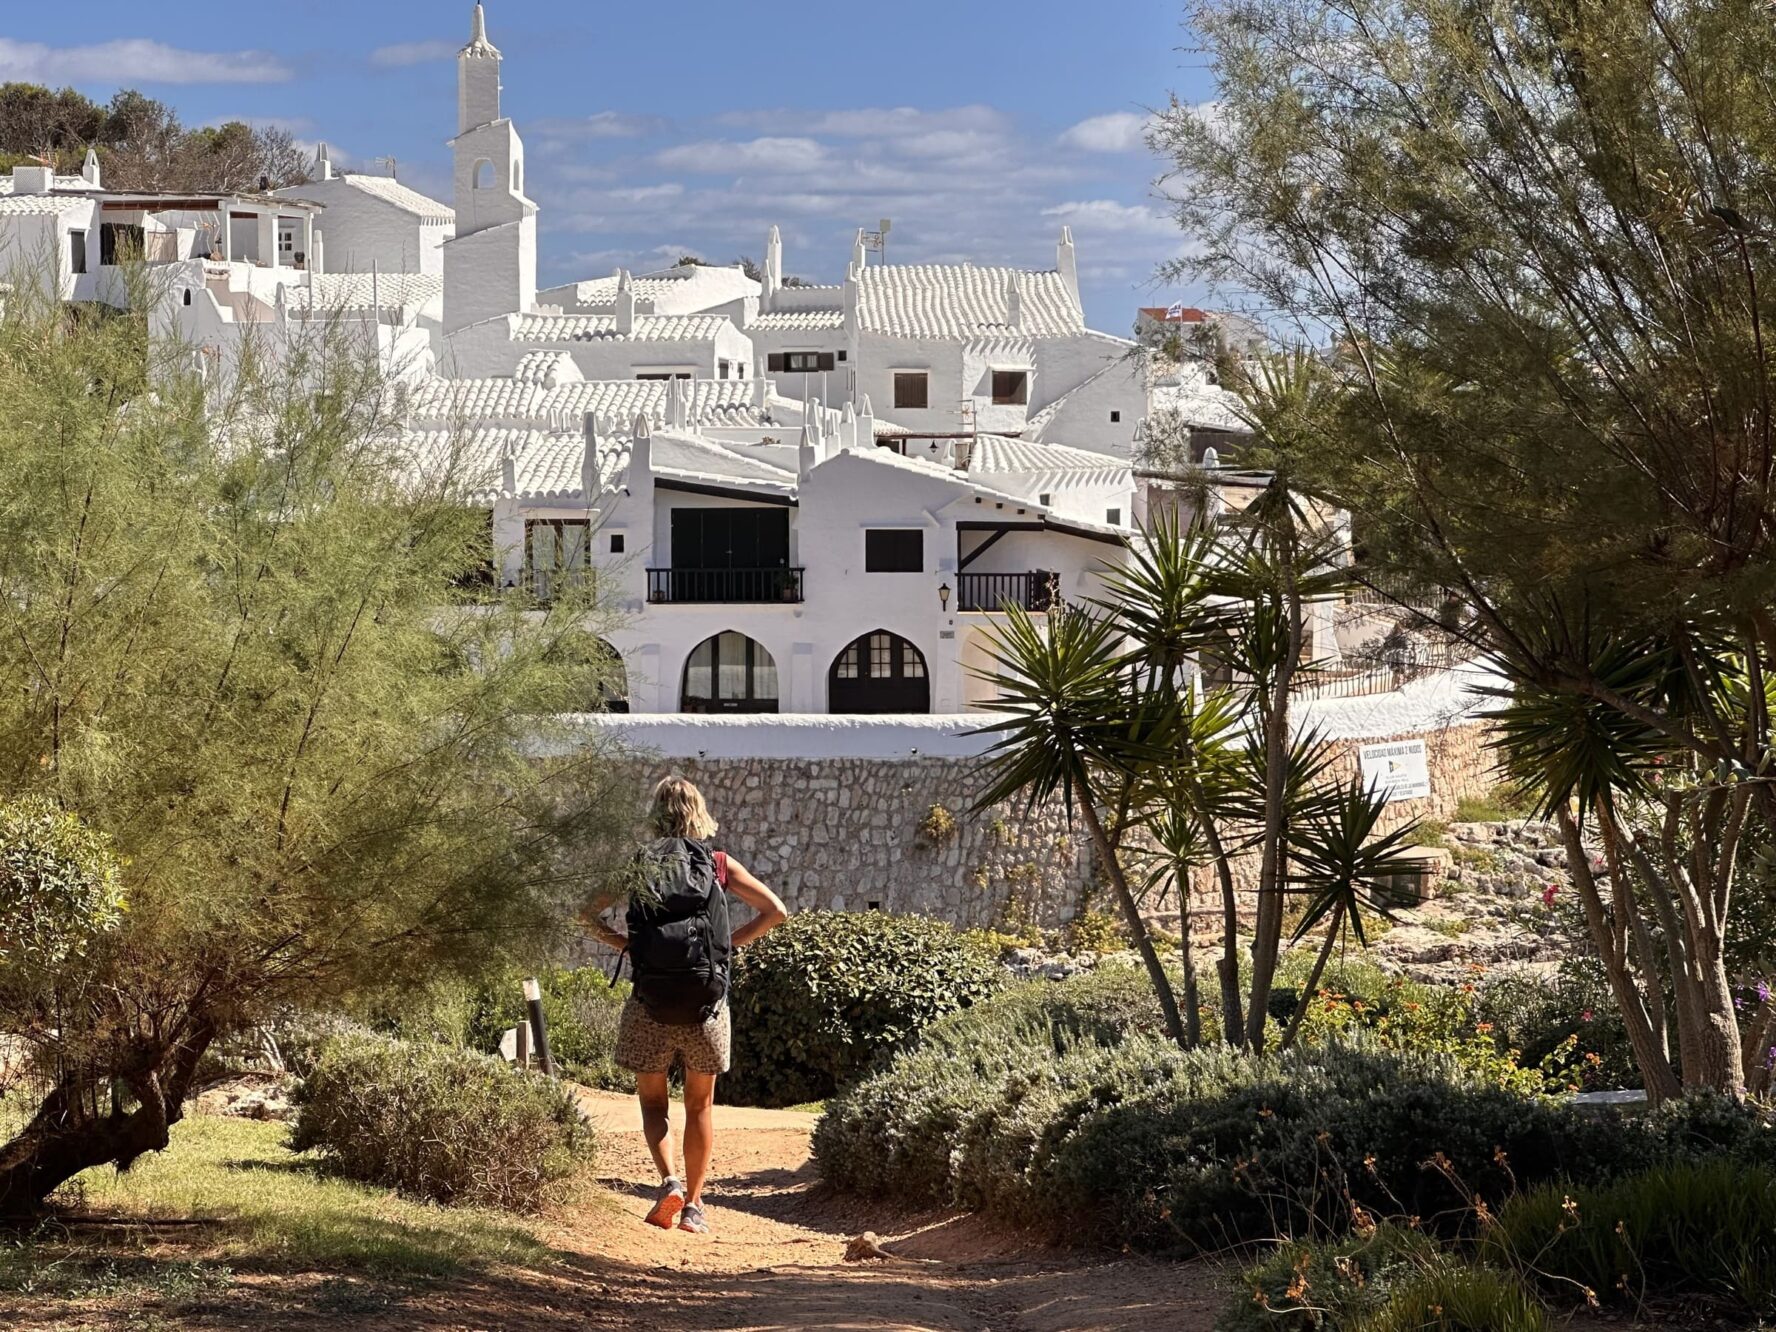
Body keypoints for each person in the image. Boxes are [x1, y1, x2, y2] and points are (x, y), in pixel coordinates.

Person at [583, 775, 787, 1236]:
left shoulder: (637, 864)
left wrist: (625, 946)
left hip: (649, 1001)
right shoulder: (717, 863)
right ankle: (695, 1205)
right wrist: (726, 947)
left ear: (656, 814)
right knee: (700, 1106)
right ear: (698, 812)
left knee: (653, 1104)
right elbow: (776, 910)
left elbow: (584, 913)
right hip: (707, 1003)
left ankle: (669, 1181)